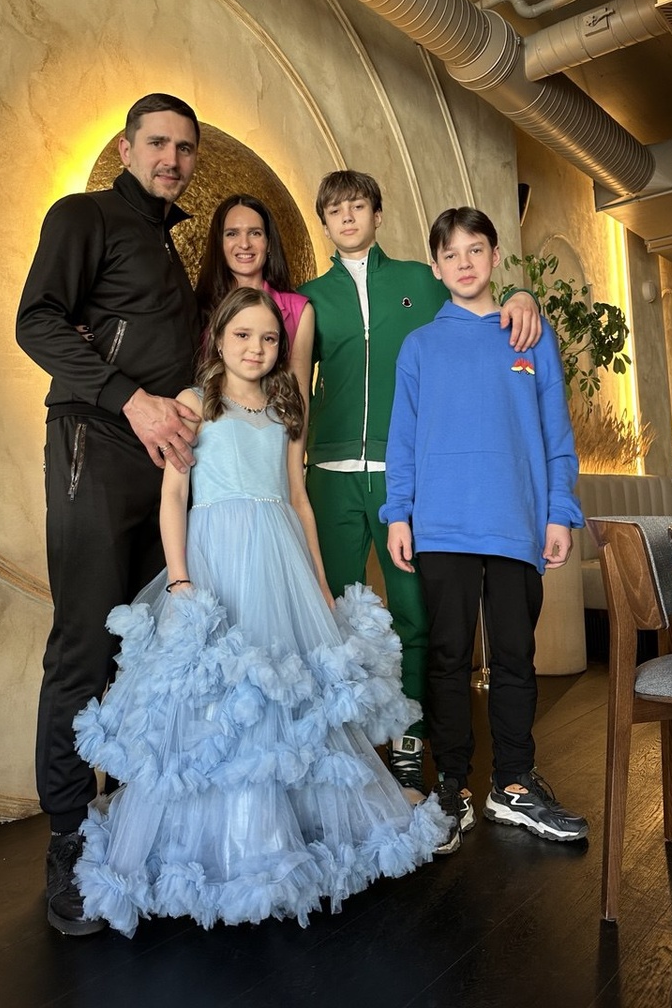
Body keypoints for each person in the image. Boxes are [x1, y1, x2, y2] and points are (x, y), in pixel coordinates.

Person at [71, 287, 451, 935]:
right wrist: (181, 577)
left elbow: (298, 498)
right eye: (243, 335)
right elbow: (174, 497)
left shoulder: (284, 408)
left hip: (279, 562)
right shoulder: (195, 403)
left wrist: (320, 581)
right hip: (216, 561)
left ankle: (286, 834)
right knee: (219, 699)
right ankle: (224, 844)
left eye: (270, 338)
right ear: (218, 339)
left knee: (286, 696)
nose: (257, 348)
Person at [16, 92, 204, 935]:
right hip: (94, 445)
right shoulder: (82, 215)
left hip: (160, 464)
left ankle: (127, 827)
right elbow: (36, 322)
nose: (172, 159)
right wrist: (130, 397)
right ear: (127, 148)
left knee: (142, 653)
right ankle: (68, 836)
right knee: (84, 647)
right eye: (158, 142)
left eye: (184, 148)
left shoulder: (168, 244)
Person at [298, 171, 541, 805]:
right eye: (335, 210)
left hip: (406, 479)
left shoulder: (420, 279)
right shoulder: (308, 298)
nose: (347, 217)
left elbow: (476, 305)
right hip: (328, 474)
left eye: (358, 205)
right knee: (330, 616)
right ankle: (340, 752)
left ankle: (411, 745)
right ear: (324, 222)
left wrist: (522, 295)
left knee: (417, 617)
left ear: (377, 214)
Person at [381, 206, 588, 855]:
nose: (464, 263)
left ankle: (514, 784)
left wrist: (559, 510)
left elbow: (555, 432)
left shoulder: (529, 336)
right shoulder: (419, 347)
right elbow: (402, 438)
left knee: (515, 656)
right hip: (440, 524)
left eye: (476, 249)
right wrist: (397, 512)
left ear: (495, 257)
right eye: (451, 254)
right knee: (447, 658)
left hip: (515, 522)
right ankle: (453, 788)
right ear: (436, 267)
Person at [194, 194, 315, 414]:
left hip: (272, 430)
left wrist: (296, 440)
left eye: (255, 233)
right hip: (209, 427)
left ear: (269, 243)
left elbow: (299, 398)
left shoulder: (300, 310)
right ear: (219, 244)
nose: (244, 244)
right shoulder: (197, 306)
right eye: (232, 233)